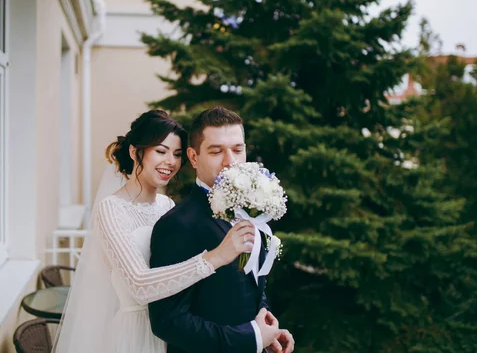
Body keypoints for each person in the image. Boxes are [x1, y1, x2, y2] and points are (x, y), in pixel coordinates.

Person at [52, 109, 265, 352]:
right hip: (135, 332)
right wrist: (214, 258)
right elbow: (140, 285)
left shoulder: (167, 206)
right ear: (135, 152)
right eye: (160, 151)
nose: (170, 162)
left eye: (176, 154)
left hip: (175, 334)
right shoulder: (111, 209)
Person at [148, 107, 295, 353]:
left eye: (238, 149)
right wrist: (251, 337)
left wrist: (266, 326)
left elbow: (249, 280)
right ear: (193, 157)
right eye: (216, 151)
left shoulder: (251, 209)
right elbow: (167, 321)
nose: (231, 161)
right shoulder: (177, 224)